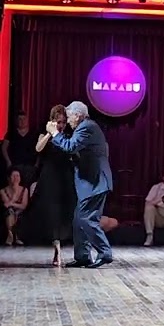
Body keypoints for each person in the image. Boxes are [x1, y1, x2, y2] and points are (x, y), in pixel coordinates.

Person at [47, 101, 114, 269]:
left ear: (77, 115)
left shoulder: (87, 127)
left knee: (86, 218)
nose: (68, 121)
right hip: (90, 183)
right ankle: (83, 256)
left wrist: (55, 134)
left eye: (69, 117)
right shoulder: (85, 127)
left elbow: (70, 146)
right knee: (79, 220)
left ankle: (105, 252)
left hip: (95, 182)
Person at [32, 104, 76, 267]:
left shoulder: (68, 136)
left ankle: (62, 247)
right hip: (49, 179)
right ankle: (56, 248)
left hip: (65, 178)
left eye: (64, 122)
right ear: (52, 121)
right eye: (58, 122)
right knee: (52, 214)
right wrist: (50, 134)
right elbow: (38, 148)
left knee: (64, 214)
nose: (61, 125)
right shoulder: (46, 134)